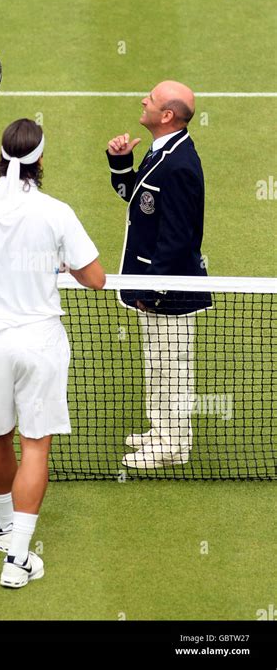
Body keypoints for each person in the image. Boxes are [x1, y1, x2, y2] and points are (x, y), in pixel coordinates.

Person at [0, 118, 105, 588]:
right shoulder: (56, 212)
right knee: (35, 446)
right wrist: (58, 260)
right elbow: (96, 278)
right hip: (41, 343)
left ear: (1, 156)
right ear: (40, 161)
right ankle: (17, 557)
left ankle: (3, 523)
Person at [106, 80, 211, 470]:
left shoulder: (180, 165)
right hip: (155, 287)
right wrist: (120, 164)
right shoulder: (163, 151)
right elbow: (139, 200)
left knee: (173, 365)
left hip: (170, 291)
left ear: (166, 115)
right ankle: (162, 430)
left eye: (149, 98)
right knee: (158, 361)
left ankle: (173, 444)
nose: (142, 100)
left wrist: (154, 289)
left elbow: (179, 237)